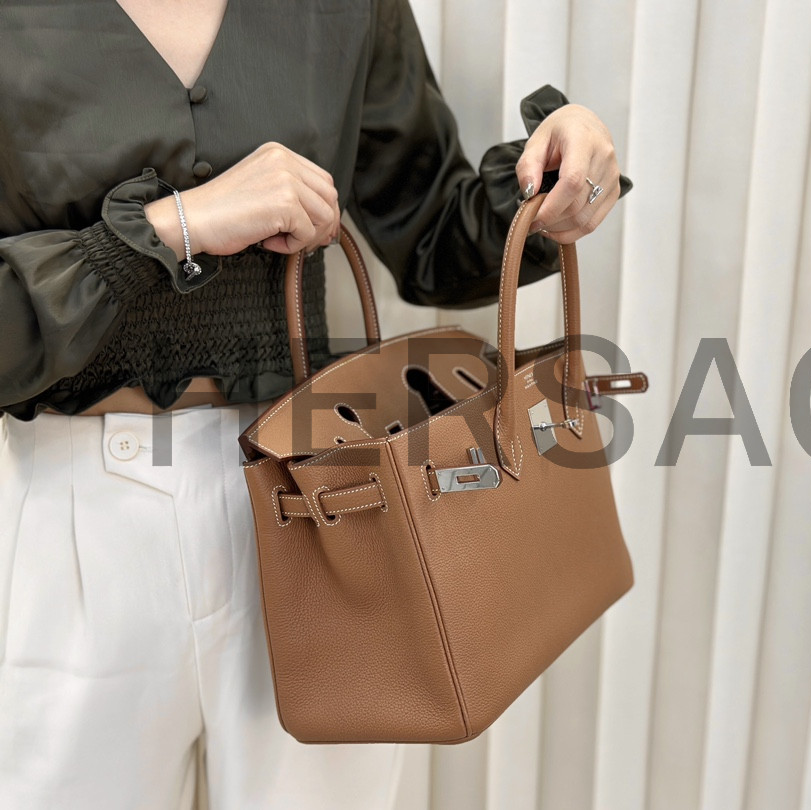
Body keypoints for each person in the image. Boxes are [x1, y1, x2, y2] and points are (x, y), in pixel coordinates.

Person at [0, 1, 630, 807]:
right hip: (73, 524)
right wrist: (176, 224)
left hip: (332, 501)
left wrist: (557, 176)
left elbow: (433, 231)